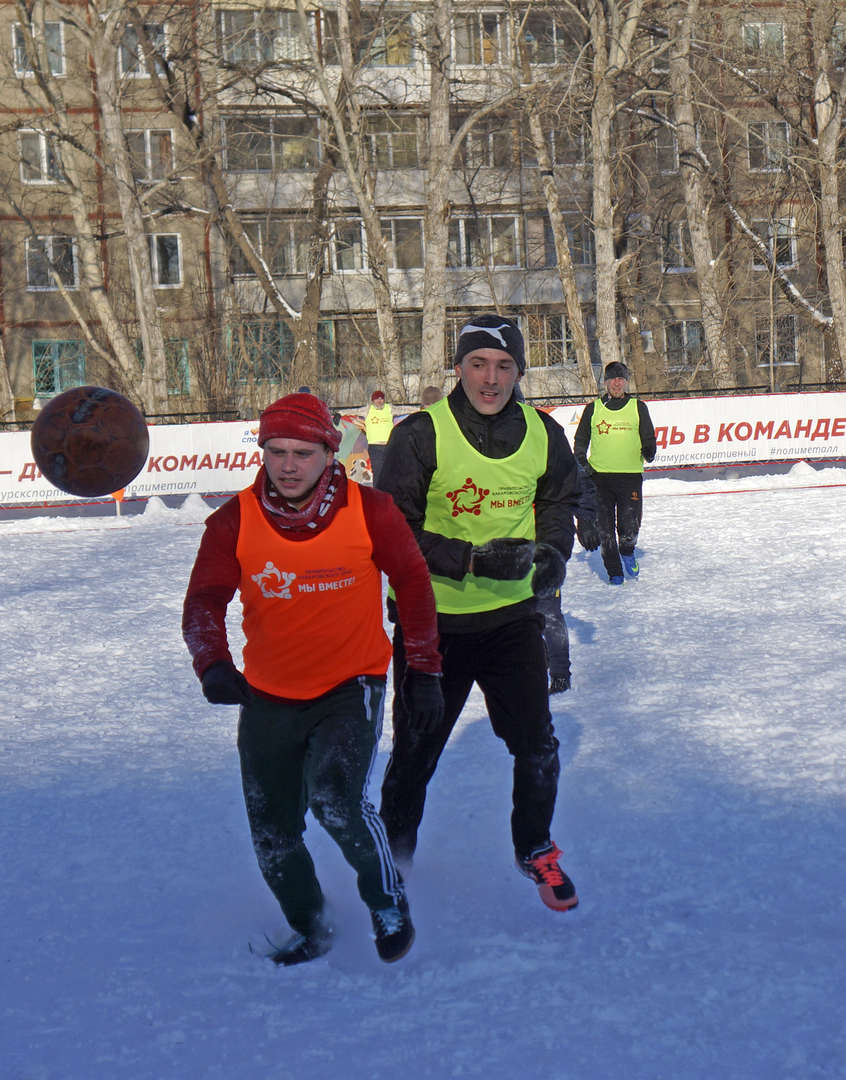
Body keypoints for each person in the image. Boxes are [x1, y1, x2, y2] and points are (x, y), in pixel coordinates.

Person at [183, 393, 444, 966]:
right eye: (275, 451)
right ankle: (314, 925)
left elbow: (414, 583)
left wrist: (423, 669)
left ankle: (387, 900)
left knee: (335, 799)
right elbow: (204, 600)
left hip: (352, 686)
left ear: (331, 451)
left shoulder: (370, 510)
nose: (288, 465)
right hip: (269, 695)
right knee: (272, 831)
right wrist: (214, 663)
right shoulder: (234, 521)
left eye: (303, 452)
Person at [373, 314, 581, 913]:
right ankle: (394, 863)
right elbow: (393, 529)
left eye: (504, 366)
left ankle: (535, 847)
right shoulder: (422, 434)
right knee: (417, 749)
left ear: (519, 372)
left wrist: (551, 552)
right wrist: (471, 560)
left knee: (537, 744)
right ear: (458, 368)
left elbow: (559, 498)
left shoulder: (544, 433)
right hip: (431, 627)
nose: (491, 379)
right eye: (478, 365)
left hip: (511, 623)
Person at [572, 361, 657, 585]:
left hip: (629, 477)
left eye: (621, 379)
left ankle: (627, 551)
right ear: (606, 382)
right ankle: (614, 572)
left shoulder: (638, 407)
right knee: (604, 529)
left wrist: (649, 450)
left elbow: (648, 435)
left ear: (626, 382)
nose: (617, 383)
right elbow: (580, 440)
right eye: (612, 379)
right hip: (599, 478)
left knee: (629, 526)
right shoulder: (593, 408)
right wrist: (582, 460)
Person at [537, 465, 598, 695]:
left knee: (548, 612)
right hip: (509, 542)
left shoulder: (545, 437)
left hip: (548, 541)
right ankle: (537, 659)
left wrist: (586, 521)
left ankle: (560, 674)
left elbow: (580, 480)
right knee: (517, 613)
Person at [365, 390, 395, 480]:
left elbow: (403, 409)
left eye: (381, 399)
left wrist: (420, 409)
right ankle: (377, 493)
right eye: (377, 399)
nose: (379, 401)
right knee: (378, 472)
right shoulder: (368, 409)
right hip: (374, 446)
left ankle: (390, 493)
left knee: (390, 472)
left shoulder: (389, 408)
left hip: (388, 445)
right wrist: (340, 414)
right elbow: (353, 411)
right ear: (373, 400)